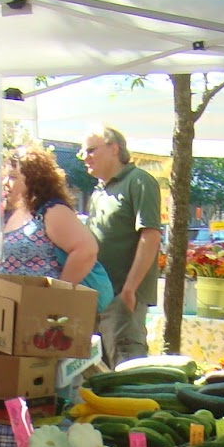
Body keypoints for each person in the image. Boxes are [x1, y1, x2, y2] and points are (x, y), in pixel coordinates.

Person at [0, 147, 113, 308]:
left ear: (34, 179)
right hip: (5, 309)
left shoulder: (51, 211)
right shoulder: (11, 213)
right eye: (5, 177)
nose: (5, 183)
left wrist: (56, 298)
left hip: (38, 313)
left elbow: (86, 251)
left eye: (13, 177)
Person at [83, 126, 162, 365]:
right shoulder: (99, 191)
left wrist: (129, 290)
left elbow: (151, 237)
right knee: (98, 372)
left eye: (91, 150)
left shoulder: (139, 181)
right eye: (82, 153)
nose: (85, 157)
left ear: (114, 148)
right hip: (97, 298)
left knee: (127, 371)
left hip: (123, 298)